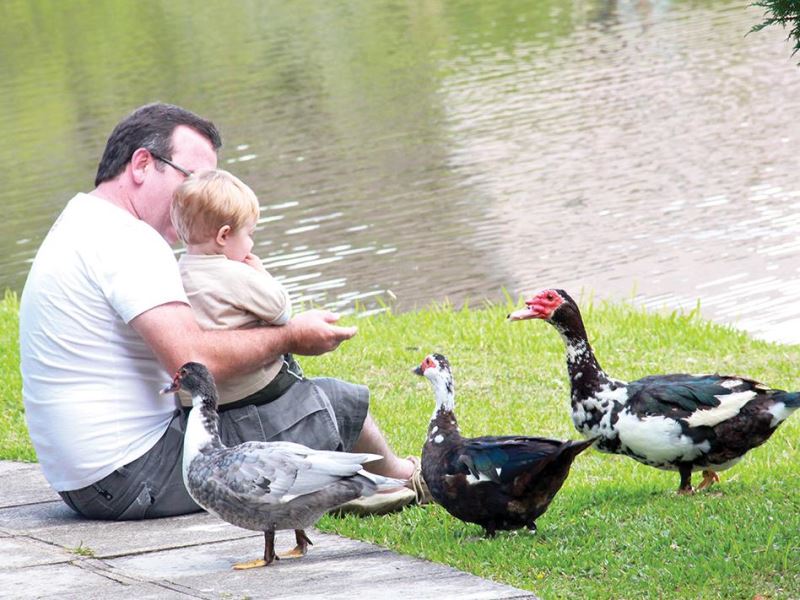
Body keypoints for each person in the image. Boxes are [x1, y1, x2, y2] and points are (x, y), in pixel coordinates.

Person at [18, 103, 428, 520]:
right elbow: (196, 365)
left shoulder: (82, 221)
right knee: (331, 400)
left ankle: (344, 485)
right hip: (136, 475)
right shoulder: (129, 242)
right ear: (142, 164)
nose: (201, 198)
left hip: (87, 482)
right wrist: (290, 338)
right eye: (192, 179)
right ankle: (407, 479)